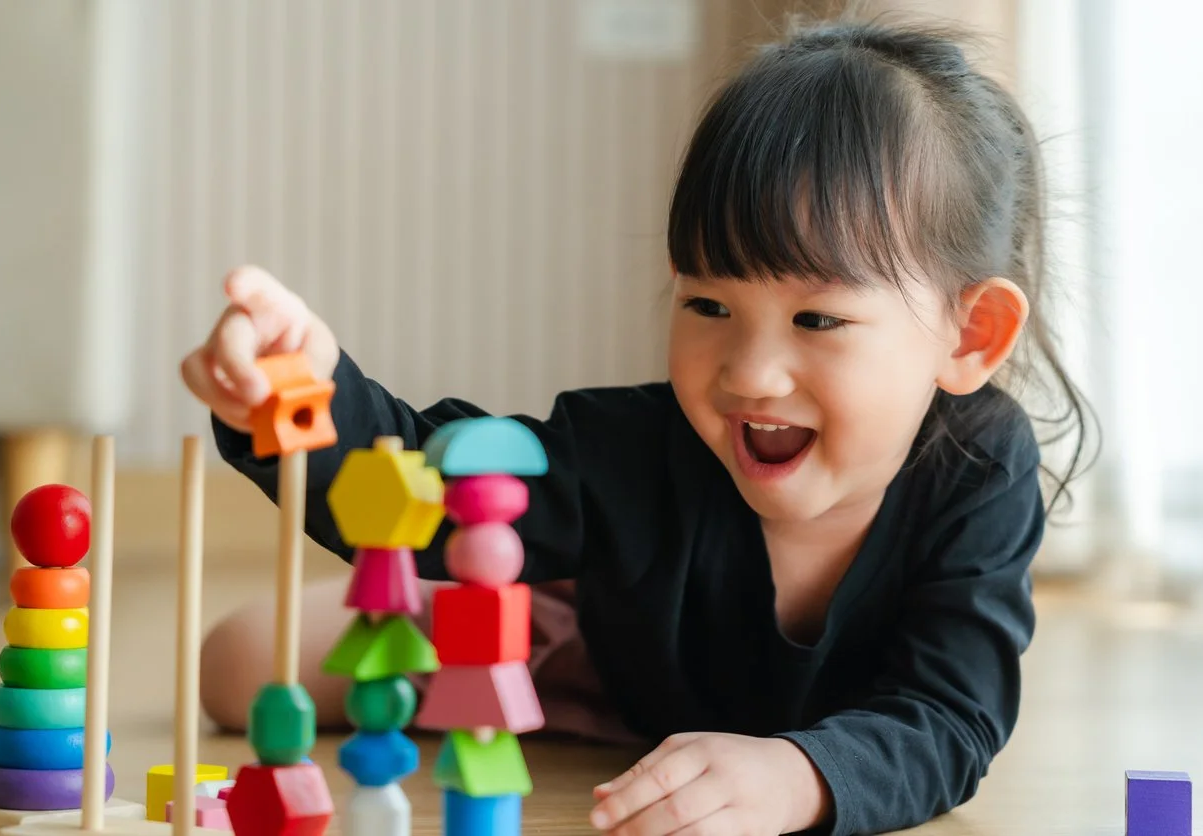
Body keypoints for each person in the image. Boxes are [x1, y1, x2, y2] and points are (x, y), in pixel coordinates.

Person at [180, 17, 1093, 836]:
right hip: (601, 662)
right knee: (237, 663)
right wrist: (298, 394)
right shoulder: (635, 445)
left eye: (817, 320)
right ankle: (495, 624)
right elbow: (424, 482)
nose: (747, 373)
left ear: (971, 336)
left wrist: (799, 775)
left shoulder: (980, 465)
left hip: (796, 724)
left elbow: (948, 716)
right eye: (707, 302)